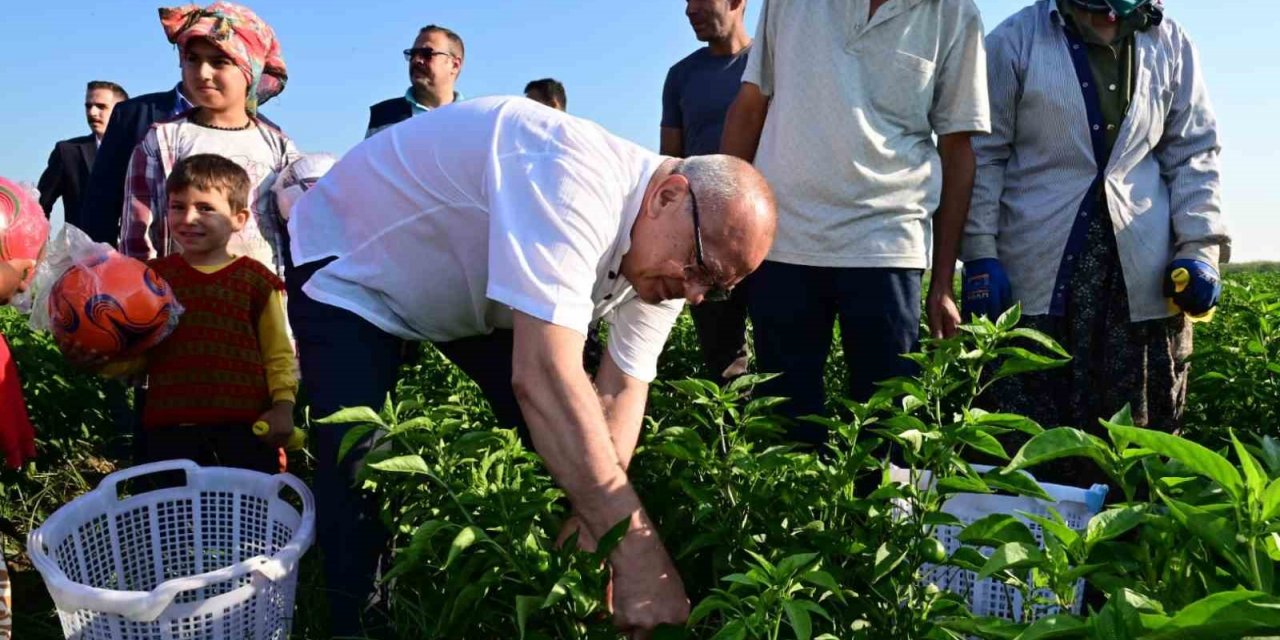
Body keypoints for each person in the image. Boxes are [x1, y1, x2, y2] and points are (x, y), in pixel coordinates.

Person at [287, 96, 776, 637]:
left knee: (570, 444)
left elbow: (619, 391)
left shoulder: (664, 262)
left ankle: (547, 589)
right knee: (361, 461)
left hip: (464, 287)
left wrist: (597, 534)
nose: (695, 294)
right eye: (700, 268)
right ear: (667, 195)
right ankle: (357, 619)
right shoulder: (571, 175)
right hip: (352, 264)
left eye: (717, 287)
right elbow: (543, 376)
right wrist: (640, 562)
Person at [963, 0, 1228, 485]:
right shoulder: (1015, 40)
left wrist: (1200, 248)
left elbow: (1193, 152)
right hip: (1037, 277)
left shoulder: (1170, 43)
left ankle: (1133, 559)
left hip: (1142, 280)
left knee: (1141, 451)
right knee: (1028, 448)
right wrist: (979, 251)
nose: (1107, 17)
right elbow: (984, 151)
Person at [720, 0, 991, 443]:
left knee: (889, 432)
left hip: (887, 245)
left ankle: (881, 515)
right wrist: (721, 234)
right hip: (787, 240)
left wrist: (942, 283)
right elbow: (750, 106)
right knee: (787, 430)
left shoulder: (954, 13)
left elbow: (957, 149)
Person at [105, 154, 295, 473]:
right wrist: (106, 355)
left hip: (244, 430)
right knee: (172, 516)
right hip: (169, 431)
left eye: (205, 208)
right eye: (178, 206)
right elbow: (137, 358)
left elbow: (278, 354)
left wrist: (283, 406)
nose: (189, 218)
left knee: (241, 516)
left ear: (239, 218)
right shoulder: (151, 280)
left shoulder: (256, 282)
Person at [120, 1, 298, 276]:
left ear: (250, 70)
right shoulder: (162, 140)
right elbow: (137, 239)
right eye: (193, 59)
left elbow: (297, 231)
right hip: (180, 304)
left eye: (219, 62)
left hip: (260, 302)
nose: (203, 73)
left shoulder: (278, 147)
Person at [661, 0, 753, 384]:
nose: (689, 9)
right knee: (723, 355)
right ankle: (734, 437)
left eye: (700, 0)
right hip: (707, 241)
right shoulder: (682, 76)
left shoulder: (772, 64)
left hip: (776, 233)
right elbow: (670, 161)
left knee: (786, 344)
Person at [37, 81, 128, 226]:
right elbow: (39, 206)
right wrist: (38, 244)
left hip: (133, 246)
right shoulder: (67, 152)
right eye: (88, 106)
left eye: (101, 107)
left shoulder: (141, 151)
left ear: (122, 112)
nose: (92, 112)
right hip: (82, 247)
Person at [365, 24, 465, 138]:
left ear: (455, 65)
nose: (417, 60)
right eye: (413, 54)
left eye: (427, 54)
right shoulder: (383, 117)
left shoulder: (473, 118)